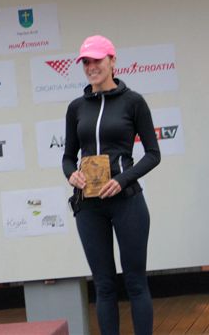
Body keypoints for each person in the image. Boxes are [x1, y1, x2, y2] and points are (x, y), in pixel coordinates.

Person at [62, 35, 161, 335]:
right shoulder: (76, 107)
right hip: (89, 207)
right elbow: (67, 157)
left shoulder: (133, 102)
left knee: (135, 282)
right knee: (103, 286)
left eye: (97, 60)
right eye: (86, 62)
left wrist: (122, 179)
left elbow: (153, 154)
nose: (91, 67)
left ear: (113, 60)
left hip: (126, 201)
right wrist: (71, 174)